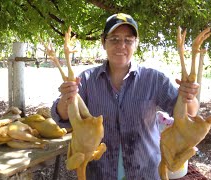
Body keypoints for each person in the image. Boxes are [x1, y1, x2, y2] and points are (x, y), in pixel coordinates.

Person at [50, 13, 199, 180]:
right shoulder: (85, 80)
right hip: (99, 173)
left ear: (136, 44)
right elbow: (60, 117)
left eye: (128, 40)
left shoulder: (154, 79)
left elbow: (189, 114)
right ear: (103, 42)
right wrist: (66, 98)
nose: (121, 45)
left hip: (146, 172)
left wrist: (189, 96)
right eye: (114, 39)